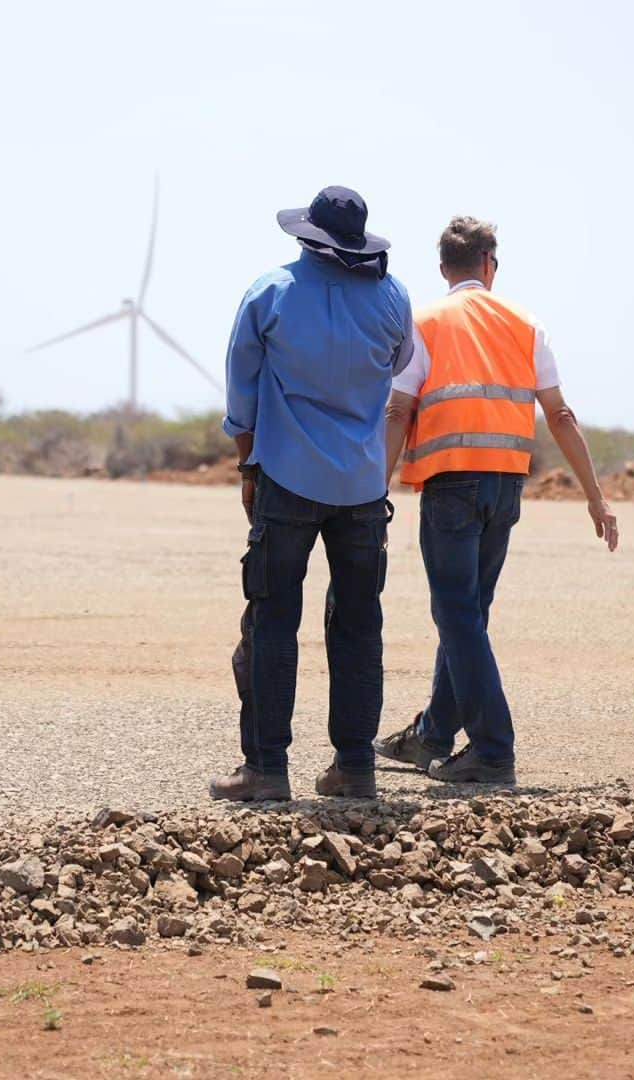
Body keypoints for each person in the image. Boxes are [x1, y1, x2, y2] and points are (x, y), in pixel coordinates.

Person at [375, 216, 618, 785]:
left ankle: (492, 748)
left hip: (449, 483)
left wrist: (372, 493)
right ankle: (433, 734)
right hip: (506, 485)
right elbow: (559, 414)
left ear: (443, 269)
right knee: (469, 614)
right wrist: (595, 497)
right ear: (490, 264)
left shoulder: (424, 321)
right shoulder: (526, 324)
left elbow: (397, 410)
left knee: (457, 613)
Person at [209, 186, 415, 802]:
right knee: (358, 625)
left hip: (287, 477)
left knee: (273, 620)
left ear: (306, 235)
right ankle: (354, 765)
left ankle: (267, 769)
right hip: (361, 483)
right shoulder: (393, 295)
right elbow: (399, 361)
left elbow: (241, 390)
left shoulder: (270, 291)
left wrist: (248, 469)